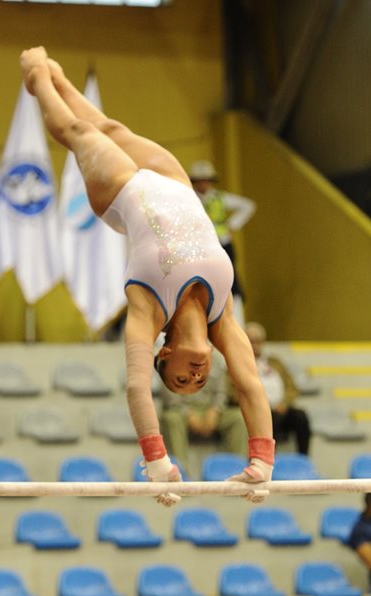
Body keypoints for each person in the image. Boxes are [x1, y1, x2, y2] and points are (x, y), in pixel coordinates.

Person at [20, 47, 273, 506]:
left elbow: (137, 385)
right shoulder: (223, 316)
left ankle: (37, 75)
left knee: (77, 130)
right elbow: (250, 384)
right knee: (112, 128)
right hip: (175, 186)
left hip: (123, 191)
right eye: (197, 382)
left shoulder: (147, 305)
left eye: (179, 380)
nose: (195, 379)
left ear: (166, 352)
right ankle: (59, 74)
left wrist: (157, 462)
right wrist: (261, 463)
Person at [189, 160, 256, 323]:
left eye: (206, 180)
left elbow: (248, 205)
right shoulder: (189, 198)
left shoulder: (220, 198)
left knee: (232, 281)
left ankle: (238, 322)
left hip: (222, 244)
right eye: (200, 180)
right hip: (200, 247)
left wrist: (233, 225)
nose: (203, 184)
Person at [160, 350, 248, 460]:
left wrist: (215, 410)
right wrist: (188, 413)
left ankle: (237, 468)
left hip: (210, 409)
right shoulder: (170, 359)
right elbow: (170, 395)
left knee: (238, 418)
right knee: (171, 418)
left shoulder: (214, 359)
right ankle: (179, 472)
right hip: (182, 411)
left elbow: (221, 392)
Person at [245, 322, 311, 455]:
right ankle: (267, 460)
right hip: (258, 412)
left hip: (281, 407)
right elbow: (234, 391)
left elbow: (292, 387)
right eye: (251, 341)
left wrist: (284, 404)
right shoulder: (239, 363)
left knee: (301, 417)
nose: (255, 345)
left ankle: (303, 460)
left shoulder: (275, 362)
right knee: (270, 419)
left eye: (258, 341)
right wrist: (263, 407)